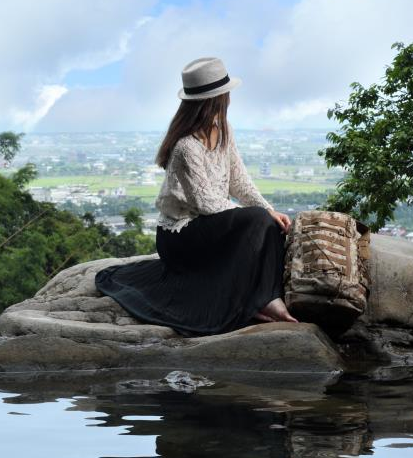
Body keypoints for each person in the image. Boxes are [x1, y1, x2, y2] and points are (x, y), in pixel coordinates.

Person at [94, 56, 298, 337]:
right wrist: (255, 216)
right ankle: (263, 300)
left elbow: (240, 181)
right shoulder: (186, 146)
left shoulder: (224, 130)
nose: (229, 98)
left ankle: (267, 296)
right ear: (216, 98)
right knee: (256, 221)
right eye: (225, 93)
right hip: (182, 237)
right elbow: (206, 203)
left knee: (269, 223)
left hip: (211, 226)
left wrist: (268, 209)